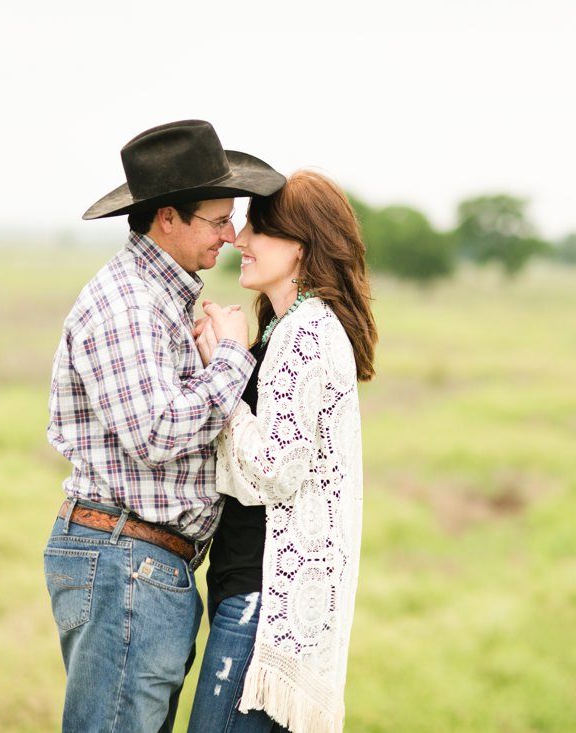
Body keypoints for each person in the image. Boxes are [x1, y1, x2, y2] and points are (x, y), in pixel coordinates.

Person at [43, 119, 285, 732]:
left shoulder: (158, 299)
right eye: (217, 220)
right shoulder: (128, 304)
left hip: (144, 564)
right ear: (167, 219)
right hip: (128, 560)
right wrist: (233, 356)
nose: (230, 237)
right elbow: (157, 434)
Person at [186, 170, 377, 733]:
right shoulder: (285, 327)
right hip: (249, 590)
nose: (239, 241)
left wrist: (226, 360)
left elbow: (272, 469)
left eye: (258, 230)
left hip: (263, 603)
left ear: (300, 245)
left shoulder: (307, 332)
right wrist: (227, 361)